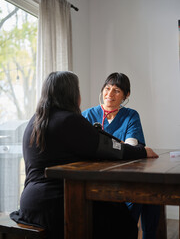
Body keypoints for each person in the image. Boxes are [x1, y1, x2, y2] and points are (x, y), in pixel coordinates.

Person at [10, 71, 158, 239]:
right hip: (61, 204)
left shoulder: (35, 120)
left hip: (29, 204)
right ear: (71, 94)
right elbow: (111, 148)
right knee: (124, 221)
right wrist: (142, 151)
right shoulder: (70, 120)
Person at [82, 72, 160, 239]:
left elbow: (131, 147)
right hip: (96, 177)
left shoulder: (131, 115)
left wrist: (113, 148)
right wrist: (121, 148)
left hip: (125, 174)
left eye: (116, 90)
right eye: (107, 88)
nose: (110, 94)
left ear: (126, 95)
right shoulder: (87, 115)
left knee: (150, 194)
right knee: (142, 196)